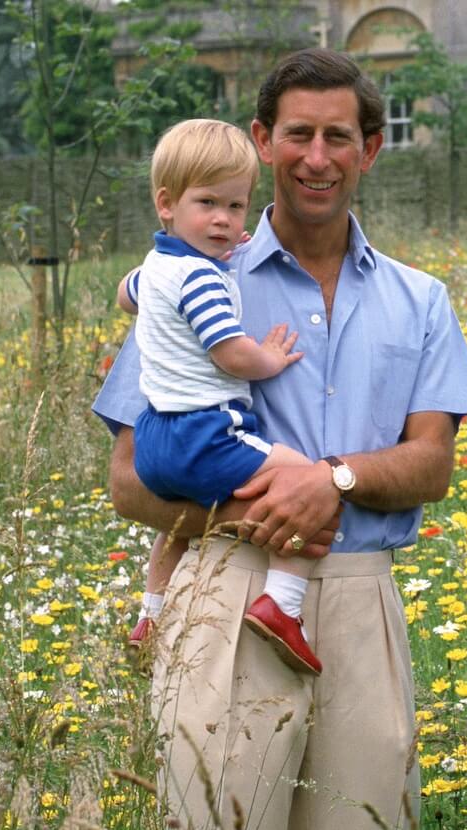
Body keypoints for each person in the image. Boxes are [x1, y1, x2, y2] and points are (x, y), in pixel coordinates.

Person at [93, 48, 467, 830]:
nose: (317, 158)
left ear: (371, 149)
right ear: (262, 140)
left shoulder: (421, 300)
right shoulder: (194, 276)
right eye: (298, 134)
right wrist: (255, 518)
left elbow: (432, 464)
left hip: (361, 599)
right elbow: (128, 478)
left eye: (339, 137)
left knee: (365, 819)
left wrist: (330, 480)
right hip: (225, 590)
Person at [117, 117, 327, 677]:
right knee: (305, 481)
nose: (223, 220)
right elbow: (229, 354)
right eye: (207, 203)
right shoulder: (202, 280)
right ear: (166, 204)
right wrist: (271, 358)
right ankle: (282, 606)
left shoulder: (158, 266)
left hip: (156, 439)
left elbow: (125, 294)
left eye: (236, 208)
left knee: (176, 528)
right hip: (207, 430)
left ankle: (152, 613)